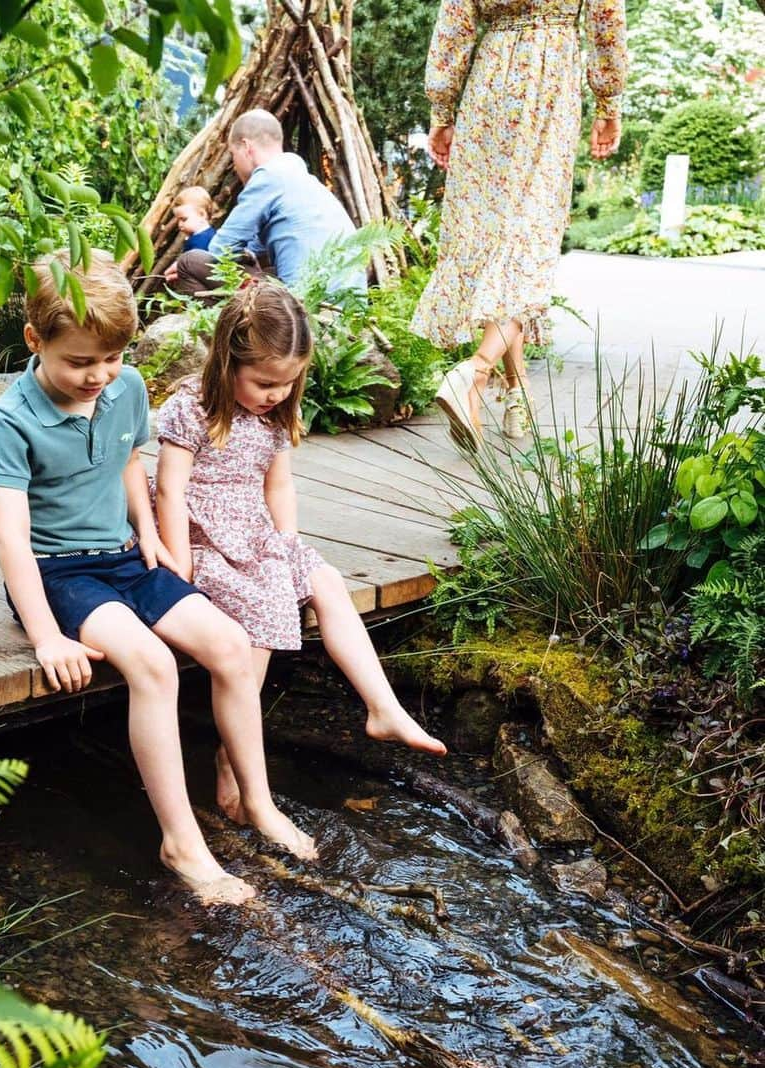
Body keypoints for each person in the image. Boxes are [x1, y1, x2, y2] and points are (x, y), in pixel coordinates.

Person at [0, 252, 316, 906]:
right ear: (35, 341)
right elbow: (10, 538)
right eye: (79, 362)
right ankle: (182, 843)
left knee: (227, 645)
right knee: (154, 666)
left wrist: (157, 536)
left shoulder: (125, 386)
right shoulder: (11, 418)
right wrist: (49, 636)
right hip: (58, 575)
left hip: (127, 555)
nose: (98, 376)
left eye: (110, 358)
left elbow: (132, 463)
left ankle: (258, 800)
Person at [155, 282, 447, 820]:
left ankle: (383, 707)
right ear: (227, 361)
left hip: (257, 533)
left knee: (326, 582)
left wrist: (287, 543)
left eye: (288, 384)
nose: (276, 394)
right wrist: (179, 564)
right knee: (266, 605)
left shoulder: (272, 415)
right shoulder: (191, 409)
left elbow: (278, 486)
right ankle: (232, 757)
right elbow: (170, 489)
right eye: (265, 382)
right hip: (204, 539)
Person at [413, 0, 627, 449]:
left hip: (490, 83)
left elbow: (454, 23)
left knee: (498, 242)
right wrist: (608, 101)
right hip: (550, 82)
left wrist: (442, 111)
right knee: (529, 244)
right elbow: (606, 22)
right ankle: (474, 373)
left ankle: (517, 392)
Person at [164, 109, 365, 298]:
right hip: (344, 304)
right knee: (267, 270)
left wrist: (182, 266)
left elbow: (221, 248)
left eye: (233, 155)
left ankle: (225, 334)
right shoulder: (297, 176)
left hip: (303, 306)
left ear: (246, 147)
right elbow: (255, 249)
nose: (234, 167)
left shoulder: (268, 177)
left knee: (189, 262)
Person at [173, 186, 218, 252]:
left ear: (202, 215)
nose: (180, 224)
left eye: (184, 219)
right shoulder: (208, 234)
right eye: (178, 220)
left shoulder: (201, 241)